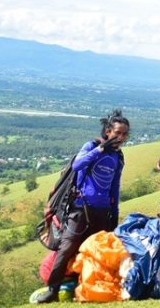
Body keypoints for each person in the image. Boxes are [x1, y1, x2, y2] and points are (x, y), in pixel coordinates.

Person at [36, 110, 129, 304]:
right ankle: (52, 290)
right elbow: (78, 164)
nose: (121, 137)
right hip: (80, 210)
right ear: (108, 131)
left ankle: (93, 288)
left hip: (102, 212)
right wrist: (100, 150)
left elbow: (115, 186)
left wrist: (115, 214)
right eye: (118, 132)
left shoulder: (118, 158)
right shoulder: (92, 146)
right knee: (66, 248)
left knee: (99, 252)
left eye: (125, 134)